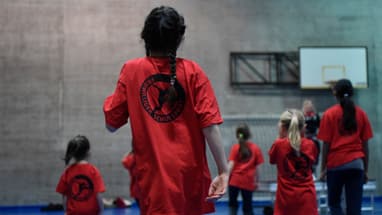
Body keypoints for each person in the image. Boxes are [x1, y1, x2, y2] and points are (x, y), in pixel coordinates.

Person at [103, 6, 228, 215]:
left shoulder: (131, 70)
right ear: (179, 39)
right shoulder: (193, 71)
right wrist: (223, 171)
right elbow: (209, 127)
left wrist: (115, 97)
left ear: (145, 36)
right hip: (191, 179)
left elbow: (111, 125)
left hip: (156, 182)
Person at [318, 79, 373, 215]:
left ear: (336, 93)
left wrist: (323, 169)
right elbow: (365, 145)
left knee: (334, 203)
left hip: (336, 164)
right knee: (354, 207)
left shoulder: (329, 114)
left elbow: (326, 144)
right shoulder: (361, 114)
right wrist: (365, 170)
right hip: (356, 164)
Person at [268, 109, 318, 215]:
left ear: (282, 127)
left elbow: (272, 160)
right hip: (307, 197)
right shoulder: (311, 144)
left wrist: (281, 137)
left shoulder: (278, 145)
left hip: (285, 199)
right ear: (303, 127)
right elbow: (312, 160)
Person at [56, 135, 106, 215]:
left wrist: (66, 211)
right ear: (88, 152)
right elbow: (98, 195)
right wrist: (101, 211)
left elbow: (64, 196)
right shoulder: (93, 171)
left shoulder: (68, 172)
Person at [228, 123, 264, 215]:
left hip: (234, 181)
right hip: (247, 181)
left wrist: (225, 178)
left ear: (237, 135)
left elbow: (230, 166)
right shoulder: (256, 148)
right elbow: (258, 168)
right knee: (247, 207)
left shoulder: (235, 148)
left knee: (233, 206)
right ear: (248, 134)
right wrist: (258, 181)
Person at [302, 99, 321, 175]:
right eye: (307, 106)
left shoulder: (315, 116)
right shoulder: (302, 116)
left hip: (314, 138)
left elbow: (320, 126)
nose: (309, 107)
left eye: (310, 105)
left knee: (315, 155)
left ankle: (314, 171)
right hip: (305, 139)